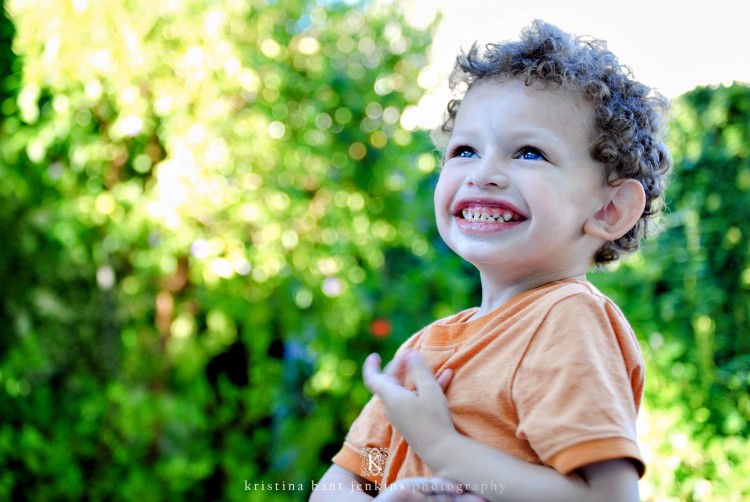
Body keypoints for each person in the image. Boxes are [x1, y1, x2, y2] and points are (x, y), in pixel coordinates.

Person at [310, 19, 671, 502]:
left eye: (528, 153)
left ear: (608, 210)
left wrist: (442, 447)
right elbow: (355, 474)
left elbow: (606, 497)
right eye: (464, 150)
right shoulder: (426, 348)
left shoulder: (566, 320)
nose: (484, 174)